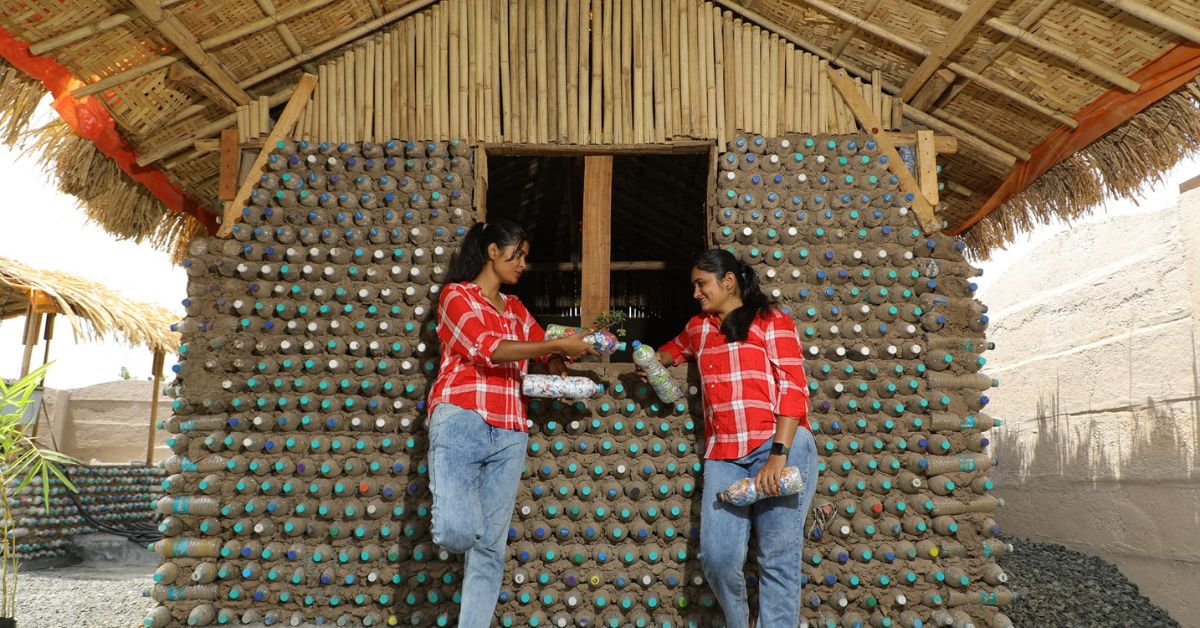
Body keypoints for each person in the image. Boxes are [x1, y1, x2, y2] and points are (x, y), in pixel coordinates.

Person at [424, 220, 597, 628]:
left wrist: (557, 363)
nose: (523, 264)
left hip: (510, 430)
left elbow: (538, 345)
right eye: (516, 255)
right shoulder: (456, 296)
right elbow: (488, 350)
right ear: (491, 252)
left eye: (525, 257)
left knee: (490, 549)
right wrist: (556, 344)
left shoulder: (516, 308)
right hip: (462, 417)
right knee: (457, 533)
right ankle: (451, 519)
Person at [647, 248, 818, 628]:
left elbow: (793, 388)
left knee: (778, 559)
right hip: (724, 455)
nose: (695, 293)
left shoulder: (771, 321)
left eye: (701, 284)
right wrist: (653, 362)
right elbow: (673, 350)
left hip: (778, 446)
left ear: (728, 282)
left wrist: (778, 455)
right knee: (717, 557)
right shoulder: (698, 328)